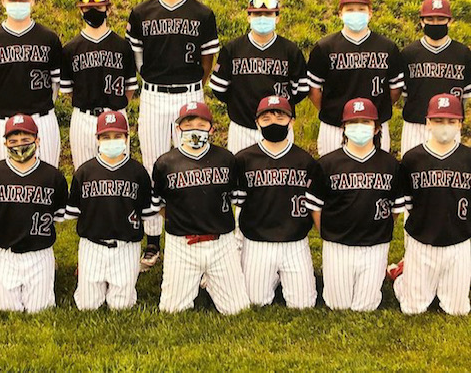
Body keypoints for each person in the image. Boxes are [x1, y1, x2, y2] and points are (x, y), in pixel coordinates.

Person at [126, 0, 221, 270]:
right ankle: (153, 240)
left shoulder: (202, 13)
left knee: (193, 165)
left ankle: (192, 232)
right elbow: (138, 60)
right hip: (154, 95)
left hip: (188, 95)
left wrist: (194, 85)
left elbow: (207, 59)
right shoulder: (141, 12)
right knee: (153, 166)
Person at [305, 98, 404, 311]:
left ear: (377, 128)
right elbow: (315, 205)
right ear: (343, 127)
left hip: (375, 245)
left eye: (365, 122)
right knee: (337, 304)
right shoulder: (327, 164)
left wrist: (379, 230)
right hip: (338, 245)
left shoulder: (390, 164)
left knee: (366, 306)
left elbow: (395, 209)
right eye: (353, 122)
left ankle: (397, 274)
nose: (359, 127)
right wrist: (327, 233)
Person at [152, 101, 250, 315]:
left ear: (211, 129)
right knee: (171, 311)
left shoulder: (226, 159)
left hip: (221, 242)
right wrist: (181, 218)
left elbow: (236, 198)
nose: (194, 129)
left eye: (201, 124)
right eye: (188, 125)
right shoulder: (165, 163)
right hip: (182, 243)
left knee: (238, 310)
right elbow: (159, 204)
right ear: (178, 128)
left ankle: (211, 281)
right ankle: (200, 279)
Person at [0, 114, 68, 312]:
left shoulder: (53, 177)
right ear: (5, 143)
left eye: (26, 139)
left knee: (40, 309)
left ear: (37, 140)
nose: (19, 145)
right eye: (13, 141)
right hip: (3, 253)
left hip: (39, 252)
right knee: (4, 308)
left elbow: (58, 215)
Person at [65, 111, 158, 310]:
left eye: (117, 136)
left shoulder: (138, 172)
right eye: (106, 137)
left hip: (126, 246)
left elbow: (146, 212)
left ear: (127, 138)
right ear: (97, 139)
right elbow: (74, 211)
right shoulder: (84, 172)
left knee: (121, 305)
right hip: (92, 246)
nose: (112, 140)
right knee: (87, 305)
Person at [391, 94, 471, 315]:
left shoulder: (468, 158)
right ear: (427, 122)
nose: (444, 126)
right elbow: (406, 204)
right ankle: (401, 276)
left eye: (451, 121)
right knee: (412, 309)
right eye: (438, 120)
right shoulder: (412, 158)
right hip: (421, 243)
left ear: (460, 124)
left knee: (458, 310)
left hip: (459, 243)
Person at [234, 96, 317, 308]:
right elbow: (239, 206)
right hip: (258, 242)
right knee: (255, 301)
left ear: (292, 121)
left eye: (280, 117)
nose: (273, 122)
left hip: (295, 242)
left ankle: (282, 276)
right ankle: (272, 276)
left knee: (304, 305)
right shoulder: (243, 159)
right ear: (257, 123)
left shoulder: (306, 161)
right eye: (266, 118)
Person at [307, 0, 404, 156]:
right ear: (340, 13)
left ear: (370, 13)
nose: (356, 13)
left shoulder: (387, 47)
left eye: (361, 9)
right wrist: (330, 112)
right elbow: (313, 89)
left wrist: (378, 110)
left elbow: (395, 90)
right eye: (350, 9)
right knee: (331, 170)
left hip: (375, 125)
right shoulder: (325, 47)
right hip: (335, 126)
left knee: (377, 171)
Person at [0, 0, 63, 166]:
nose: (18, 3)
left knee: (47, 178)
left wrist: (41, 106)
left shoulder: (48, 38)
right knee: (3, 181)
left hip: (42, 120)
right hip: (4, 120)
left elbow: (55, 84)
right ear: (3, 1)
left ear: (33, 1)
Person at [210, 0, 309, 153]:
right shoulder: (232, 49)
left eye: (268, 14)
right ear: (248, 17)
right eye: (257, 14)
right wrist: (239, 106)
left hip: (280, 128)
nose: (262, 18)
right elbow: (219, 89)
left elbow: (301, 91)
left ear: (277, 18)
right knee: (240, 169)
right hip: (243, 128)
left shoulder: (290, 50)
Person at [60, 0, 137, 171]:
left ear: (108, 9)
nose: (93, 11)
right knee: (84, 173)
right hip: (84, 118)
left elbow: (130, 87)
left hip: (115, 115)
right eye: (88, 8)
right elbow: (69, 91)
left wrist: (117, 108)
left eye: (98, 7)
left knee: (119, 173)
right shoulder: (70, 49)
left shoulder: (122, 46)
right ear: (81, 11)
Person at [400, 0, 471, 156]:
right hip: (415, 126)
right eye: (430, 19)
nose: (435, 23)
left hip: (449, 126)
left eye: (440, 19)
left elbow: (465, 97)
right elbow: (404, 95)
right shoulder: (409, 54)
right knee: (411, 169)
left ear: (450, 21)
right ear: (422, 21)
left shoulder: (463, 54)